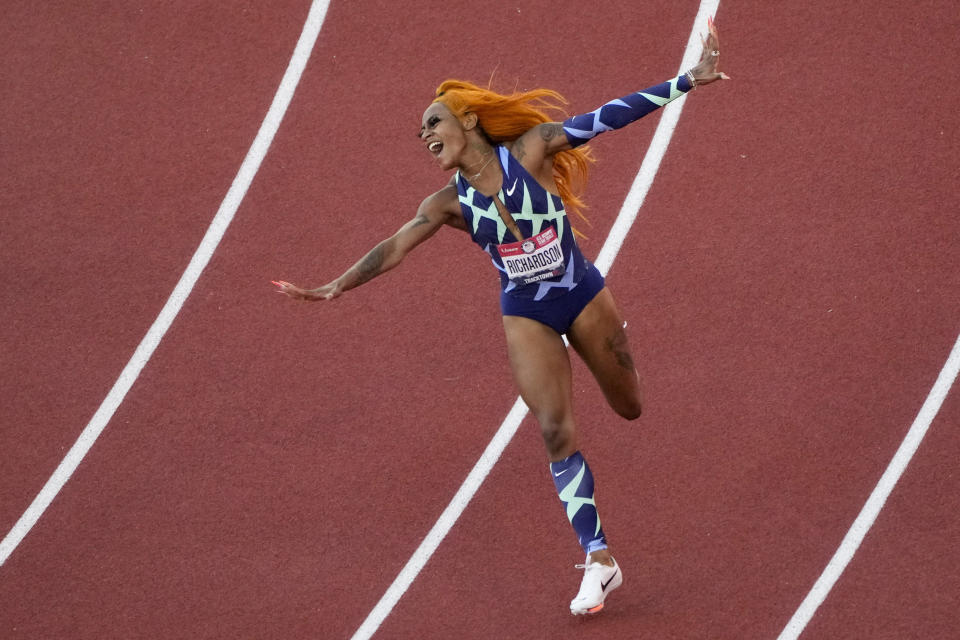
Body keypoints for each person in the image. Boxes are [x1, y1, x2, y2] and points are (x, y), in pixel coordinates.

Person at [274, 18, 727, 616]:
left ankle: (610, 344)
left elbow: (607, 117)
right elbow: (394, 247)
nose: (423, 134)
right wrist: (335, 286)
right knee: (553, 430)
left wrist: (686, 81)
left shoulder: (533, 148)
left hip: (582, 293)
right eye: (419, 131)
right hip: (526, 312)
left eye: (431, 122)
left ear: (466, 120)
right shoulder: (444, 205)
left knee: (629, 406)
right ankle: (599, 558)